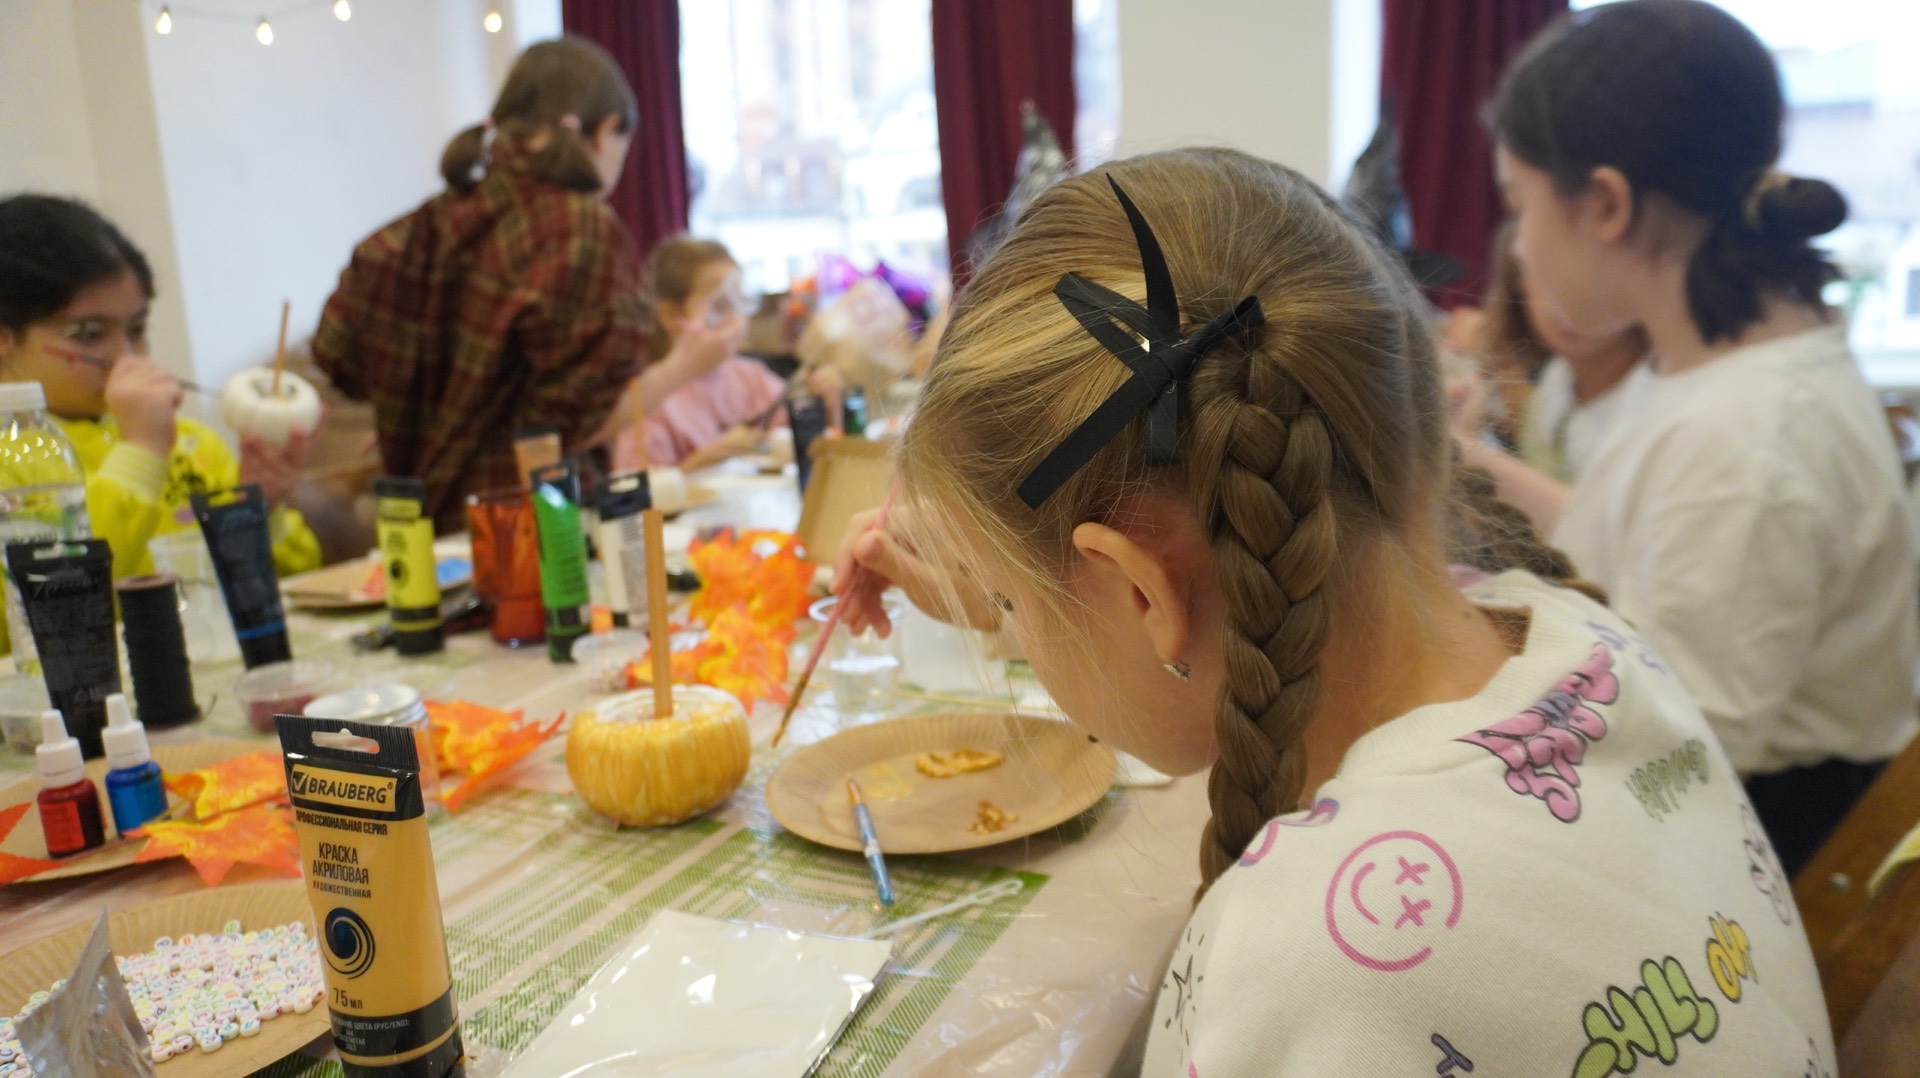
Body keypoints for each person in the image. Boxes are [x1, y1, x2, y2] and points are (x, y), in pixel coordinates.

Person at [835, 148, 1834, 1074]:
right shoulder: (1579, 635)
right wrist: (1015, 594)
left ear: (1141, 592)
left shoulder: (1315, 960)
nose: (1008, 616)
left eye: (1012, 597)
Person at [1488, 0, 1916, 874]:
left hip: (1760, 848)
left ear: (1606, 204)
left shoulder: (1749, 436)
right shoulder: (1709, 364)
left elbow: (1683, 753)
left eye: (1521, 205)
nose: (1520, 247)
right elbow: (1635, 543)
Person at [312, 38, 733, 529]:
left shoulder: (409, 235)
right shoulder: (581, 233)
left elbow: (336, 355)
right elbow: (568, 431)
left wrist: (419, 419)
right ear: (602, 132)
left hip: (417, 543)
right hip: (531, 539)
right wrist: (684, 366)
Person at [0, 195, 321, 588]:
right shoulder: (13, 457)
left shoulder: (190, 444)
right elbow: (57, 598)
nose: (126, 357)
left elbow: (301, 582)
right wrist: (141, 452)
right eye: (88, 334)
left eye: (137, 329)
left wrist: (259, 512)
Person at [626, 236, 840, 470]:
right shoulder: (648, 398)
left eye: (739, 302)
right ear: (671, 315)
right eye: (719, 307)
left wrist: (828, 407)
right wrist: (709, 458)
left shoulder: (752, 379)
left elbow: (807, 449)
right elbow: (639, 486)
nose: (736, 321)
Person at [1471, 222, 1652, 484]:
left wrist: (1473, 452)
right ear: (1520, 287)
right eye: (1544, 278)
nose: (1565, 302)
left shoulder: (1650, 397)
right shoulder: (1556, 378)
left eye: (1591, 276)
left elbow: (1601, 510)